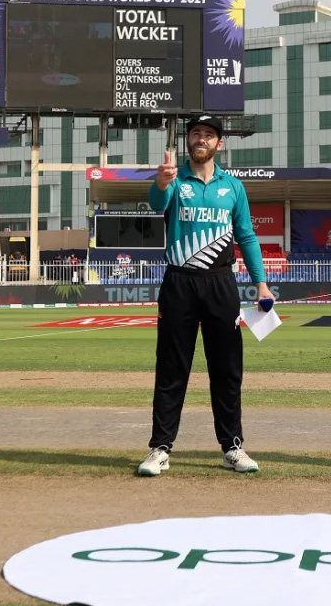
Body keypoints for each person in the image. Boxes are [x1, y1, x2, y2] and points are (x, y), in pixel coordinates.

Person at [137, 115, 274, 476]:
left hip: (220, 284)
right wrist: (160, 183)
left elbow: (246, 236)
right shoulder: (174, 179)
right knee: (171, 368)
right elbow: (156, 205)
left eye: (209, 135)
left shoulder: (233, 187)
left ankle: (232, 447)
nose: (202, 139)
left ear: (219, 144)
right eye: (196, 133)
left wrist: (260, 283)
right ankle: (159, 448)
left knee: (227, 369)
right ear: (189, 142)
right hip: (179, 283)